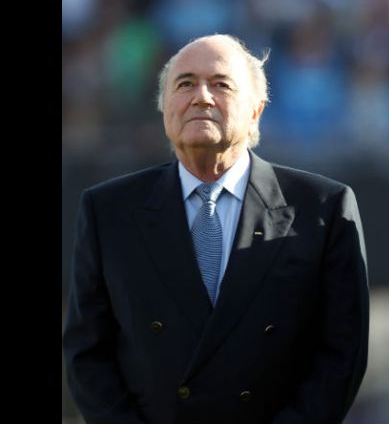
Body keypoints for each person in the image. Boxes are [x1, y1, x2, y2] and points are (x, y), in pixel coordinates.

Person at [63, 34, 369, 424]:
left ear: (256, 110)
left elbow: (342, 354)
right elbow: (86, 353)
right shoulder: (108, 211)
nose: (202, 97)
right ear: (164, 107)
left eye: (221, 84)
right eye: (185, 84)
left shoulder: (323, 209)